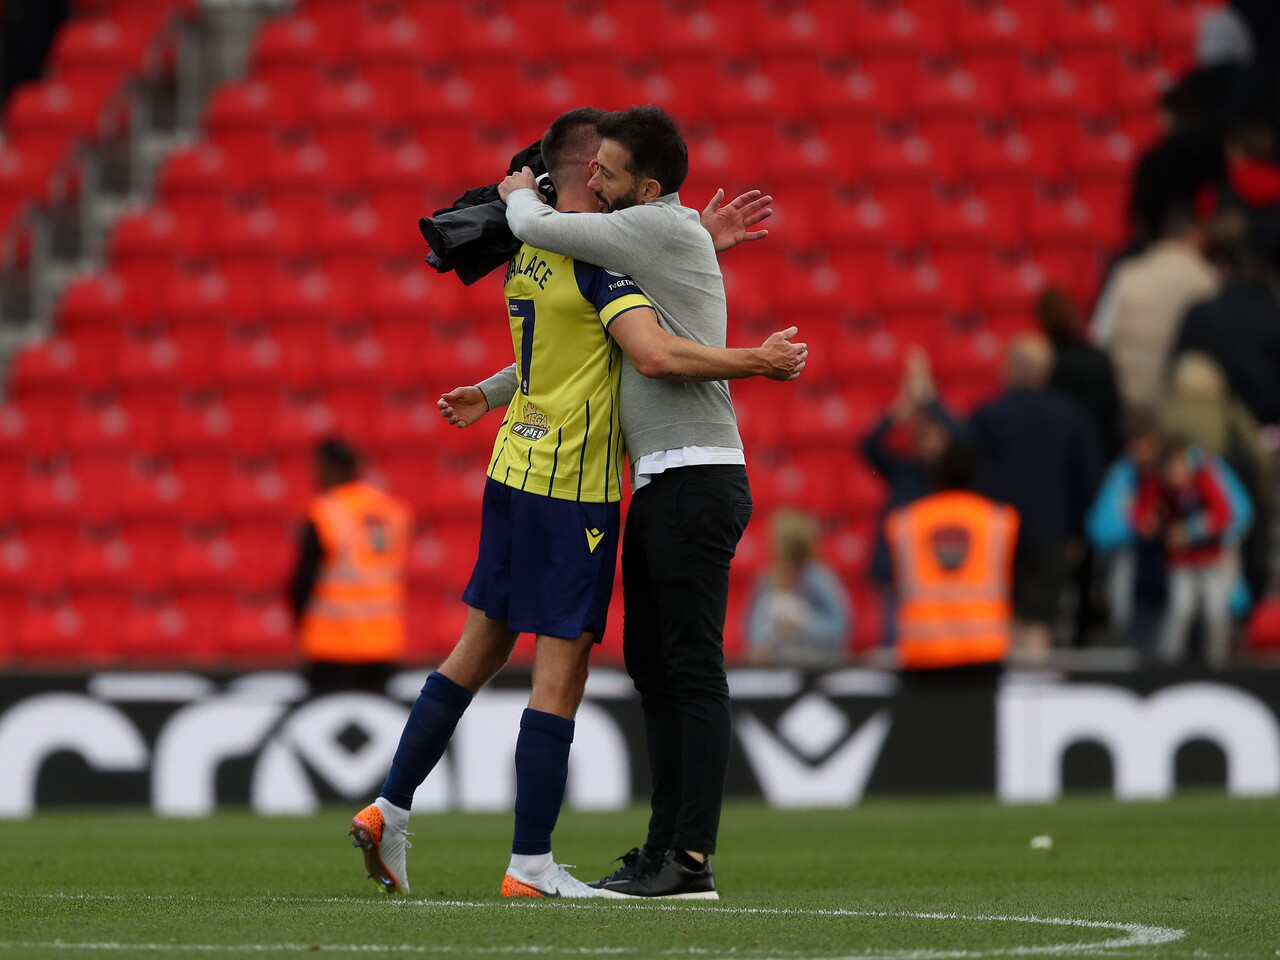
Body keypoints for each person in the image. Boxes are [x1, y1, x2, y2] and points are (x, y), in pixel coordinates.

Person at [350, 107, 804, 901]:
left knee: (478, 650)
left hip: (511, 466)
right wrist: (754, 360)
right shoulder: (600, 261)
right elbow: (649, 351)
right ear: (582, 169)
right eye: (600, 169)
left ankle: (390, 805)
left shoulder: (532, 255)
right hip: (573, 485)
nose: (603, 180)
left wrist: (491, 393)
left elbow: (555, 350)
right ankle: (531, 865)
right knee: (560, 675)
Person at [488, 104, 770, 899]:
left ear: (645, 187)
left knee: (690, 671)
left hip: (695, 474)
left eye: (605, 171)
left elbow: (551, 233)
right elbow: (592, 343)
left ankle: (691, 860)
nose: (590, 179)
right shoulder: (658, 234)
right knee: (656, 670)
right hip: (660, 478)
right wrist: (491, 390)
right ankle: (662, 852)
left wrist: (519, 197)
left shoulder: (647, 230)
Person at [880, 440, 1016, 793]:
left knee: (929, 747)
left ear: (936, 475)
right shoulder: (999, 520)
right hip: (983, 648)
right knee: (980, 744)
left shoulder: (906, 521)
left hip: (924, 650)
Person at [969, 334, 1102, 661]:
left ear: (1013, 367)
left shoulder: (988, 415)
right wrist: (1076, 530)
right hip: (1051, 531)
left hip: (998, 532)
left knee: (1006, 614)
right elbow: (1088, 477)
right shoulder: (1070, 416)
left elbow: (970, 476)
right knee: (1041, 619)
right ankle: (1035, 697)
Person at [288, 437, 412, 695]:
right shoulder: (393, 510)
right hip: (383, 642)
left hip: (332, 645)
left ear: (333, 467)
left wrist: (304, 623)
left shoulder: (324, 513)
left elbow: (301, 582)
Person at [860, 347, 965, 646]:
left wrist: (931, 399)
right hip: (897, 570)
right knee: (893, 641)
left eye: (934, 434)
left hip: (936, 572)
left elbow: (964, 440)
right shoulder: (903, 469)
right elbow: (868, 446)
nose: (927, 440)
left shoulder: (949, 474)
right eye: (923, 433)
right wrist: (899, 411)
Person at [1090, 207, 1220, 414]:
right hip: (1179, 412)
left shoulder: (1127, 272)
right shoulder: (1208, 278)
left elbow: (1099, 336)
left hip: (1126, 404)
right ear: (1196, 237)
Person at [1134, 437, 1240, 666]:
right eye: (1170, 469)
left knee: (1215, 613)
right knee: (1180, 612)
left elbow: (1224, 514)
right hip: (1179, 561)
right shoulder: (1158, 485)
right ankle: (1170, 663)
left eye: (1179, 467)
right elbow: (1141, 515)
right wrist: (1147, 523)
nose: (1175, 475)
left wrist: (1191, 531)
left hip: (1209, 559)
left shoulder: (1203, 479)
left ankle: (1218, 663)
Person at [1172, 213, 1280, 428]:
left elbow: (1177, 374)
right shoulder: (1273, 316)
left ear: (1223, 268)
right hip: (1260, 433)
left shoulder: (1198, 314)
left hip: (1207, 435)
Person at [744, 507, 851, 668]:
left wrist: (803, 626)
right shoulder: (767, 579)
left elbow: (838, 627)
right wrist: (761, 644)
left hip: (814, 666)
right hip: (776, 667)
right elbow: (755, 627)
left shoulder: (817, 578)